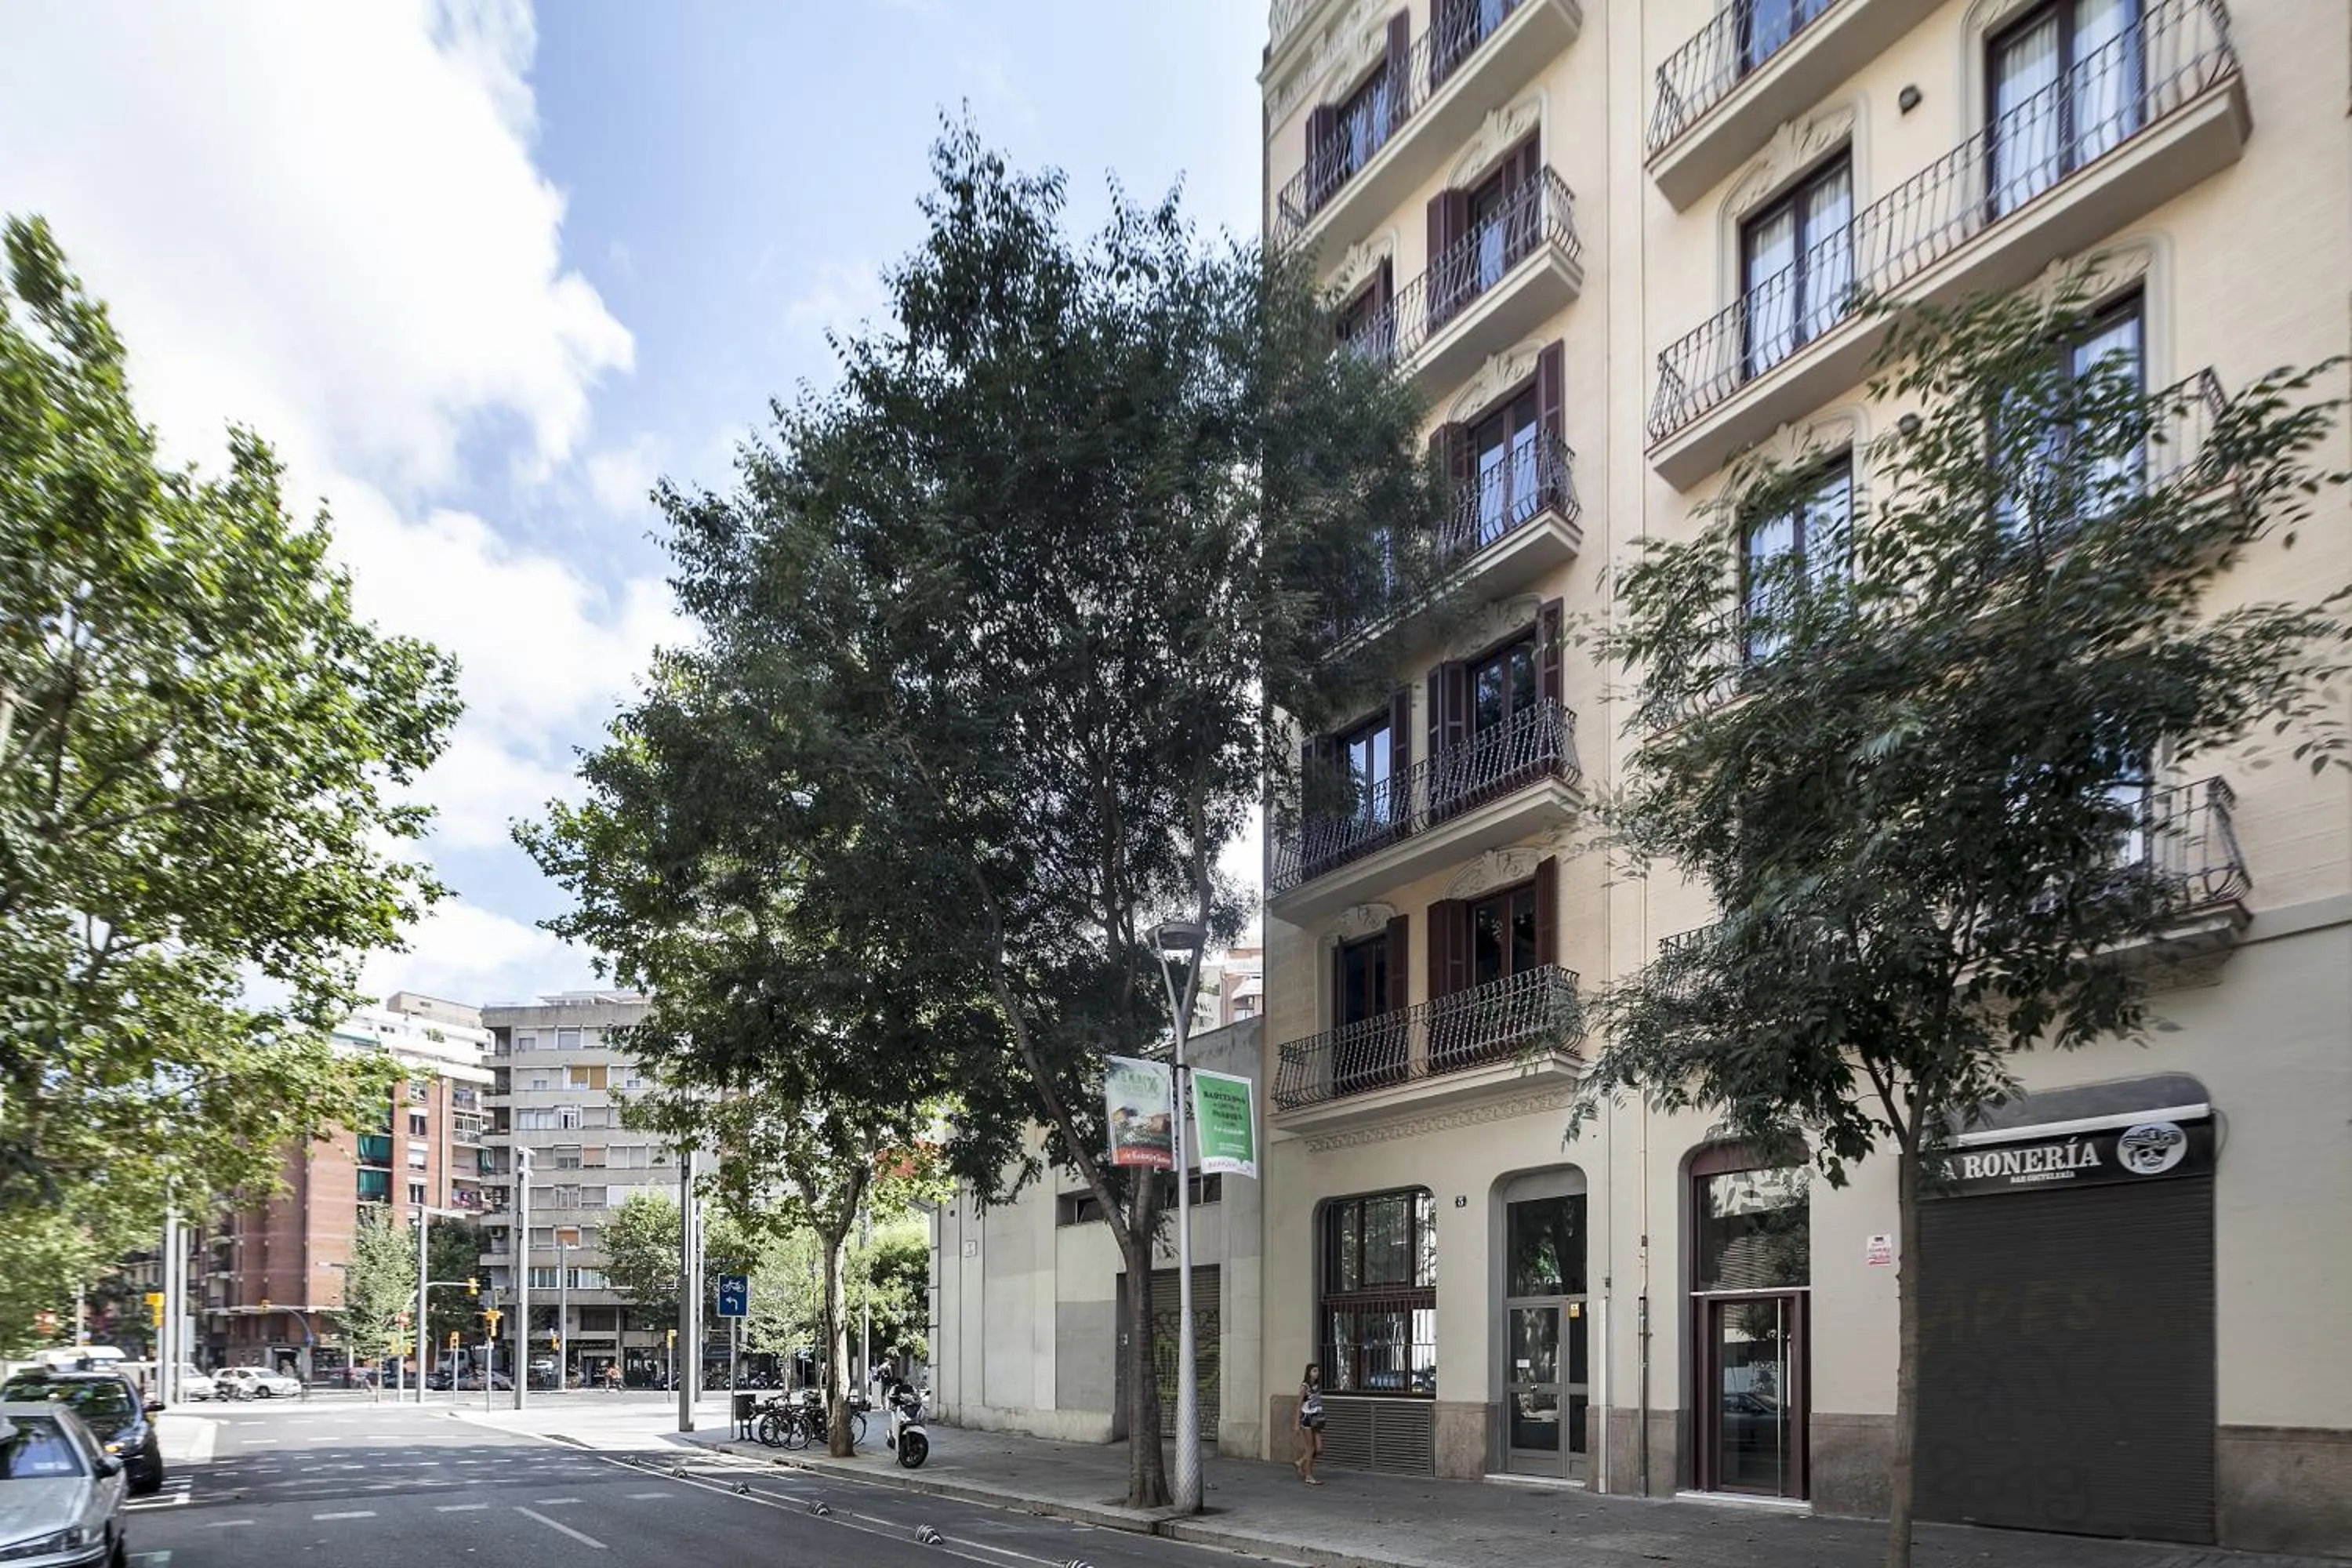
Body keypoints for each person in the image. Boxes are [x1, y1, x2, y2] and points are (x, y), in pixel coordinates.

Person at [1294, 1363, 1325, 1486]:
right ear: (1309, 1373)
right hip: (1307, 1418)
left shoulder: (1317, 1386)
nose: (1317, 1373)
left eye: (1317, 1371)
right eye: (1314, 1371)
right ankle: (1309, 1475)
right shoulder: (1305, 1387)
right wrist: (1296, 1423)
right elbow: (1298, 1405)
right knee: (1310, 1449)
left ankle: (1301, 1462)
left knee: (1319, 1448)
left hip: (1316, 1418)